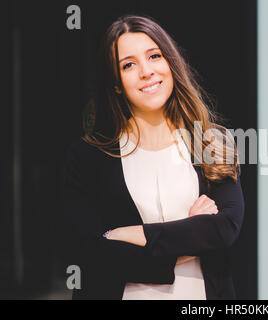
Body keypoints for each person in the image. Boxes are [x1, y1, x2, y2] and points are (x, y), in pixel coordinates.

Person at [63, 15, 244, 300]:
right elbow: (92, 253)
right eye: (129, 65)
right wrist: (191, 236)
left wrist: (128, 234)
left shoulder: (212, 141)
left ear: (170, 63)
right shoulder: (87, 157)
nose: (146, 71)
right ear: (116, 84)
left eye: (154, 56)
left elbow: (225, 229)